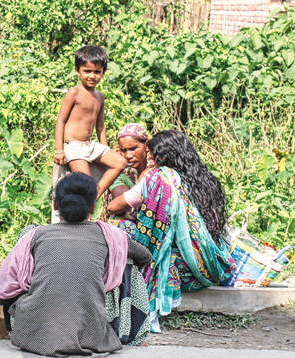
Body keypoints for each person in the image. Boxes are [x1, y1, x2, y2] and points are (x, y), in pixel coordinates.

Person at [0, 173, 152, 357]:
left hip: (31, 337)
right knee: (127, 260)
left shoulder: (35, 235)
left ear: (55, 204)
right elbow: (145, 257)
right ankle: (132, 334)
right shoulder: (110, 236)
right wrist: (108, 264)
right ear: (93, 206)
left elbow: (1, 294)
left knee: (26, 264)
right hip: (93, 339)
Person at [108, 130, 236, 332]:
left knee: (117, 225)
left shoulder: (161, 181)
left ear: (162, 157)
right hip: (209, 267)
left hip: (181, 269)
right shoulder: (205, 179)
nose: (149, 159)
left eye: (151, 154)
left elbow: (114, 207)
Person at [53, 45, 126, 199]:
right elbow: (61, 120)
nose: (92, 76)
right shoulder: (74, 92)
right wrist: (59, 150)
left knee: (120, 162)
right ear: (77, 70)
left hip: (90, 145)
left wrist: (105, 148)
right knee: (85, 182)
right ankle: (87, 205)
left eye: (97, 72)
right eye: (87, 71)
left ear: (103, 72)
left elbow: (100, 126)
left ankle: (95, 195)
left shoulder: (100, 97)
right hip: (73, 146)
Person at [101, 123, 152, 239]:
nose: (128, 155)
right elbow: (122, 206)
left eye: (133, 149)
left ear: (147, 146)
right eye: (123, 150)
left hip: (156, 225)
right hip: (133, 227)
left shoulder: (157, 170)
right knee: (118, 221)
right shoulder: (119, 173)